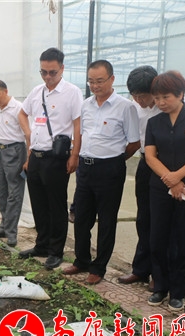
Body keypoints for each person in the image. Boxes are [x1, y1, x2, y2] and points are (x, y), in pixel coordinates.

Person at [63, 60, 140, 285]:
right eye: (91, 81)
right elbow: (81, 134)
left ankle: (99, 267)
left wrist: (115, 160)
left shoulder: (125, 107)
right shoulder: (86, 105)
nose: (95, 86)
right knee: (81, 217)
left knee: (106, 221)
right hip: (86, 168)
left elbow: (134, 142)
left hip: (110, 169)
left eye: (99, 81)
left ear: (112, 79)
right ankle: (82, 260)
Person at [144, 70, 185, 312]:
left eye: (166, 97)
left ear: (180, 94)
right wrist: (170, 180)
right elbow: (150, 156)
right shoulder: (154, 122)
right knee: (158, 237)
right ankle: (160, 286)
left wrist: (178, 176)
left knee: (184, 238)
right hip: (160, 187)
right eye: (157, 98)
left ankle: (178, 292)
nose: (161, 102)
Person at [17, 48, 83, 269]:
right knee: (38, 203)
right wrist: (29, 137)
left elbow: (78, 125)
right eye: (43, 72)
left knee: (56, 205)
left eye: (52, 72)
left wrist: (75, 154)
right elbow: (22, 113)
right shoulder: (37, 92)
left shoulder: (72, 92)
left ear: (62, 68)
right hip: (36, 156)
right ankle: (42, 244)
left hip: (56, 158)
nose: (47, 77)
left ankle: (56, 251)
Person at [117, 66, 160, 287]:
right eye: (134, 95)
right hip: (145, 164)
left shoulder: (171, 105)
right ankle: (141, 269)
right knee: (144, 218)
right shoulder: (133, 107)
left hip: (167, 167)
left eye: (142, 95)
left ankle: (159, 275)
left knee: (162, 221)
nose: (138, 100)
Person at [0, 79, 26, 247]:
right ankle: (3, 226)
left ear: (5, 91)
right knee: (1, 190)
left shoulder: (18, 108)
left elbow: (28, 133)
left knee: (14, 192)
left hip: (14, 150)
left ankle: (11, 232)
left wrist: (28, 158)